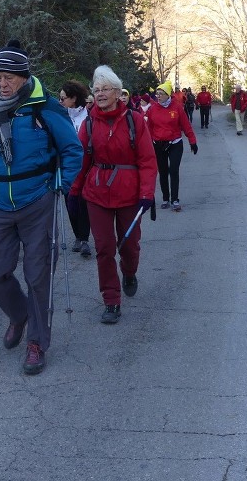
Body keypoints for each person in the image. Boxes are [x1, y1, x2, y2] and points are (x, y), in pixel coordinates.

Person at [0, 40, 83, 376]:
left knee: (38, 275)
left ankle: (36, 343)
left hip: (37, 200)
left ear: (24, 76)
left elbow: (72, 150)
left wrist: (63, 186)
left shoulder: (44, 108)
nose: (3, 83)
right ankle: (18, 314)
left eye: (9, 77)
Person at [71, 66, 158, 324]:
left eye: (105, 89)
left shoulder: (135, 121)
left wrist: (147, 194)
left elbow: (147, 161)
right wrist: (74, 191)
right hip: (97, 194)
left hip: (130, 194)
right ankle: (111, 300)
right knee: (104, 248)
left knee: (129, 247)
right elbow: (81, 161)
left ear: (118, 93)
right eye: (96, 90)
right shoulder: (88, 124)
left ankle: (129, 273)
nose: (99, 94)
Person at [144, 80, 198, 212]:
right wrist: (148, 144)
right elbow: (149, 128)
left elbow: (186, 125)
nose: (158, 96)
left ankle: (175, 199)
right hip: (158, 144)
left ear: (168, 94)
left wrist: (192, 141)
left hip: (175, 143)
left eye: (161, 94)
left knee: (173, 170)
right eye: (157, 94)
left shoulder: (177, 107)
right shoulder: (152, 109)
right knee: (163, 172)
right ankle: (165, 199)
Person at [58, 80, 92, 258]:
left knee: (83, 203)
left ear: (74, 98)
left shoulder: (88, 117)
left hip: (85, 168)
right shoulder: (60, 117)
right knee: (70, 203)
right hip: (66, 168)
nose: (61, 101)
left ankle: (84, 239)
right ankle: (78, 236)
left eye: (63, 98)